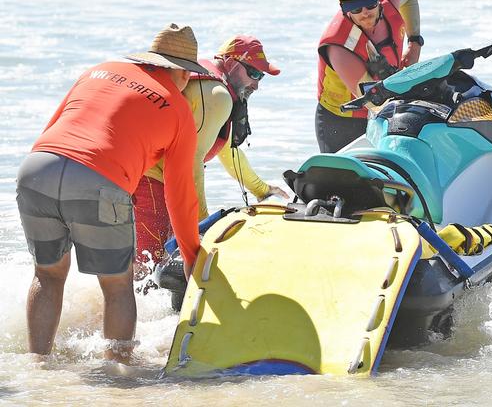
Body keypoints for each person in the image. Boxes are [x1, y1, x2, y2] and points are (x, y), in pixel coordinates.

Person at [16, 23, 206, 362]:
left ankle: (36, 366)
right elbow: (178, 194)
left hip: (36, 169)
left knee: (47, 275)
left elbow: (55, 129)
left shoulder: (99, 71)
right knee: (117, 286)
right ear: (181, 72)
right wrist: (192, 257)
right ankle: (116, 376)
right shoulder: (178, 109)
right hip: (98, 180)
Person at [134, 34, 289, 275]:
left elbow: (226, 149)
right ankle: (126, 311)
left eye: (262, 77)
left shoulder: (216, 88)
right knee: (147, 268)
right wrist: (201, 226)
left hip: (152, 176)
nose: (257, 84)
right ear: (231, 63)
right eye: (254, 74)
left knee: (157, 264)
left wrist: (261, 189)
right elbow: (190, 160)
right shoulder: (217, 95)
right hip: (149, 179)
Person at [316, 0, 424, 153]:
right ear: (343, 7)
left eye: (370, 4)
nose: (365, 12)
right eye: (355, 8)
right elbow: (374, 103)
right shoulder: (338, 48)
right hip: (343, 123)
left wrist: (414, 43)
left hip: (385, 108)